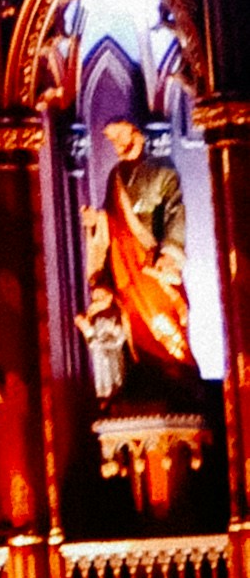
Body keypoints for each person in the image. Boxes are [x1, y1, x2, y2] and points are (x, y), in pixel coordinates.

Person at [82, 116, 193, 390]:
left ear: (138, 134)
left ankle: (176, 375)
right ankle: (141, 374)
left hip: (150, 266)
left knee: (164, 324)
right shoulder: (116, 176)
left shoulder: (163, 172)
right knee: (131, 323)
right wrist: (96, 222)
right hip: (123, 267)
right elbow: (110, 218)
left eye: (121, 136)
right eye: (113, 139)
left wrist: (170, 254)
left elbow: (175, 213)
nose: (117, 144)